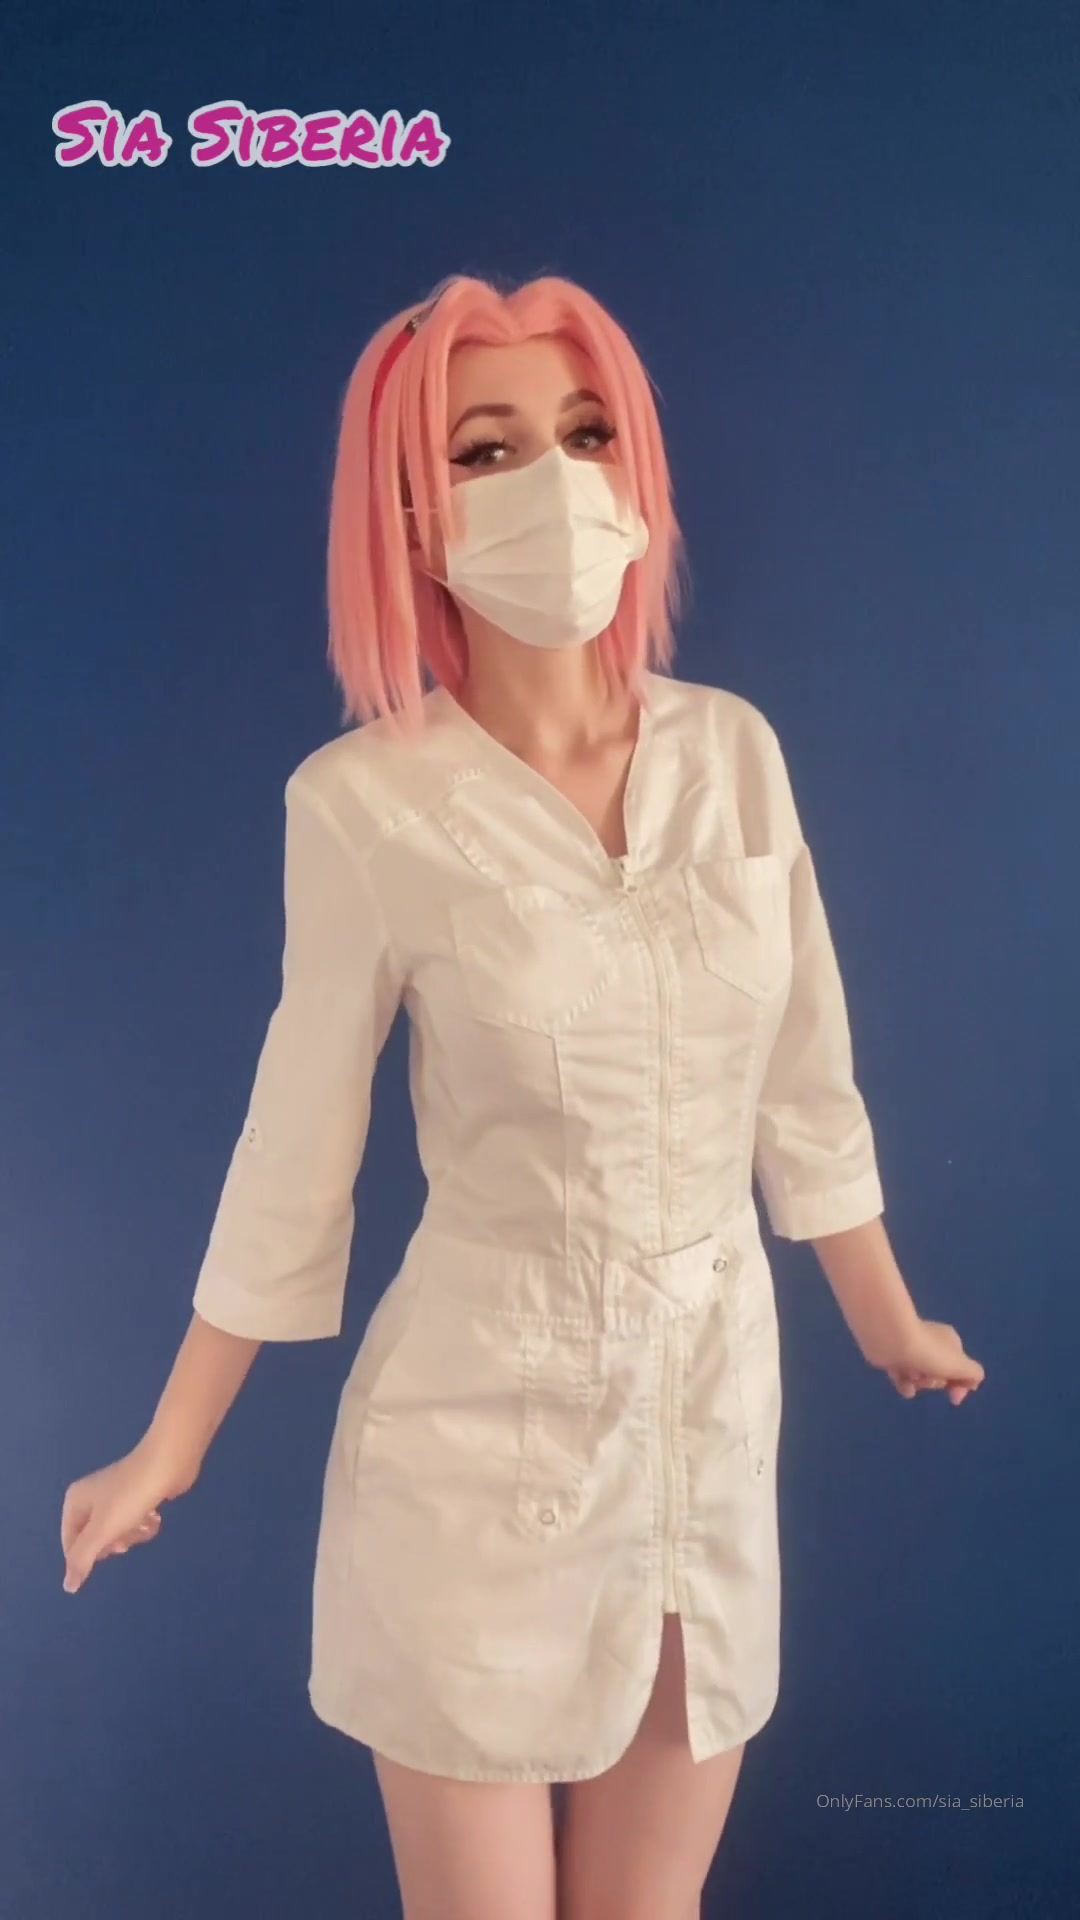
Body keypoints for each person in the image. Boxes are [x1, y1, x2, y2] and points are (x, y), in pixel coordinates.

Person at [60, 272, 985, 1920]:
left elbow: (806, 1079)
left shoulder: (735, 756)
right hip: (472, 1442)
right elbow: (295, 1147)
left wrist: (888, 1319)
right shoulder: (365, 807)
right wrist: (171, 1444)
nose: (552, 481)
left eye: (586, 431)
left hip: (707, 1419)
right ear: (414, 518)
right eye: (486, 450)